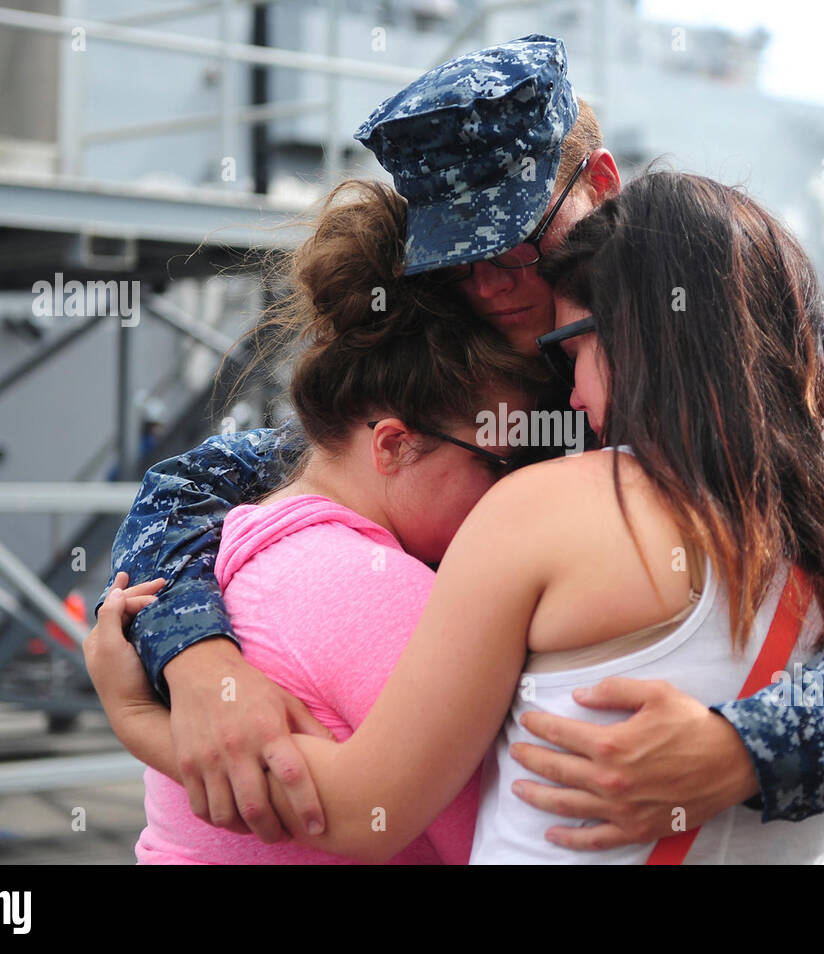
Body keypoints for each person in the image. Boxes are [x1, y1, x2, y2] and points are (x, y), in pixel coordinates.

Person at [95, 35, 824, 864]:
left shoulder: (792, 349)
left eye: (516, 248)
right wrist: (201, 663)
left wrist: (742, 751)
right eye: (457, 260)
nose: (491, 288)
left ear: (601, 183)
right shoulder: (489, 357)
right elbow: (207, 485)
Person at [89, 178, 549, 863]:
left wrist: (142, 718)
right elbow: (502, 839)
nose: (516, 493)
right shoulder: (379, 590)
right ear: (394, 443)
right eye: (501, 464)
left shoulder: (238, 539)